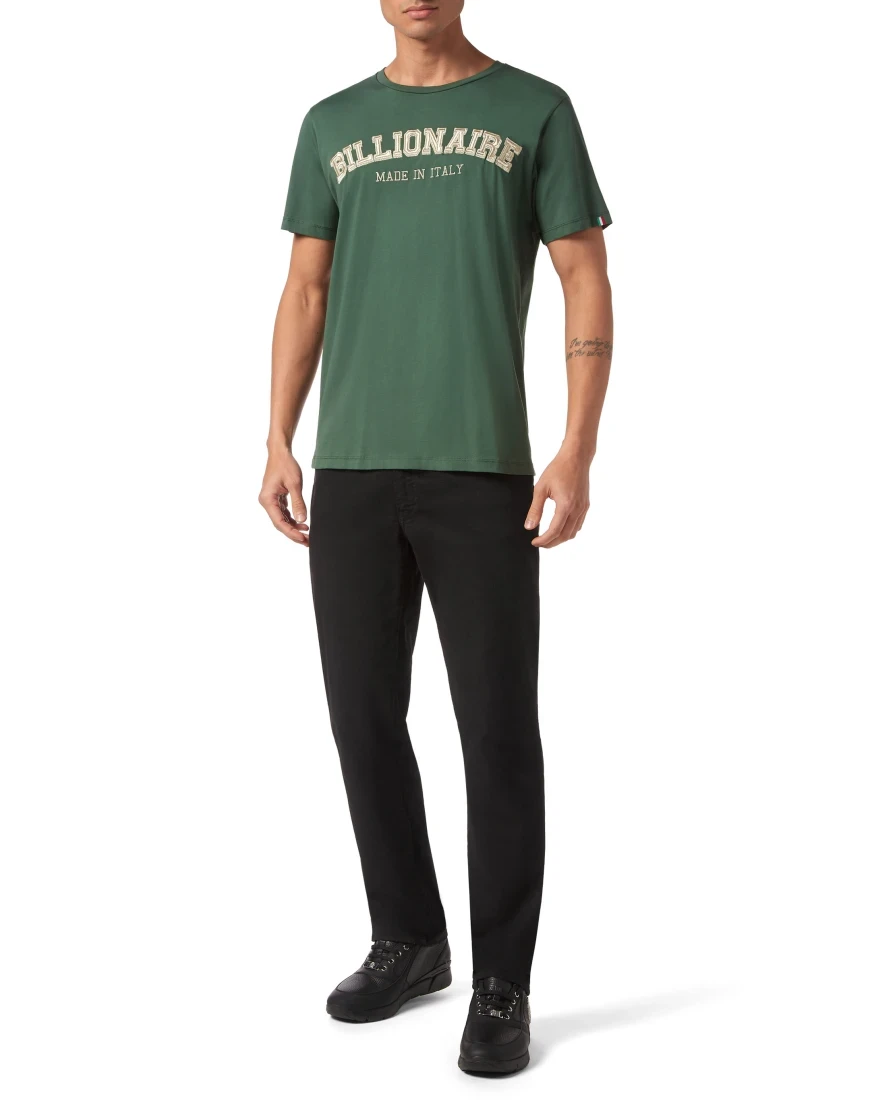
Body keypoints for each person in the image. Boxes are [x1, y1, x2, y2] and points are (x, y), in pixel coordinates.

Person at [259, 0, 613, 1075]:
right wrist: (278, 438)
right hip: (354, 468)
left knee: (496, 728)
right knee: (362, 717)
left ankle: (503, 981)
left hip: (482, 469)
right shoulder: (331, 122)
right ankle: (410, 938)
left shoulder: (534, 110)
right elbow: (306, 287)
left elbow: (584, 273)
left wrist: (576, 448)